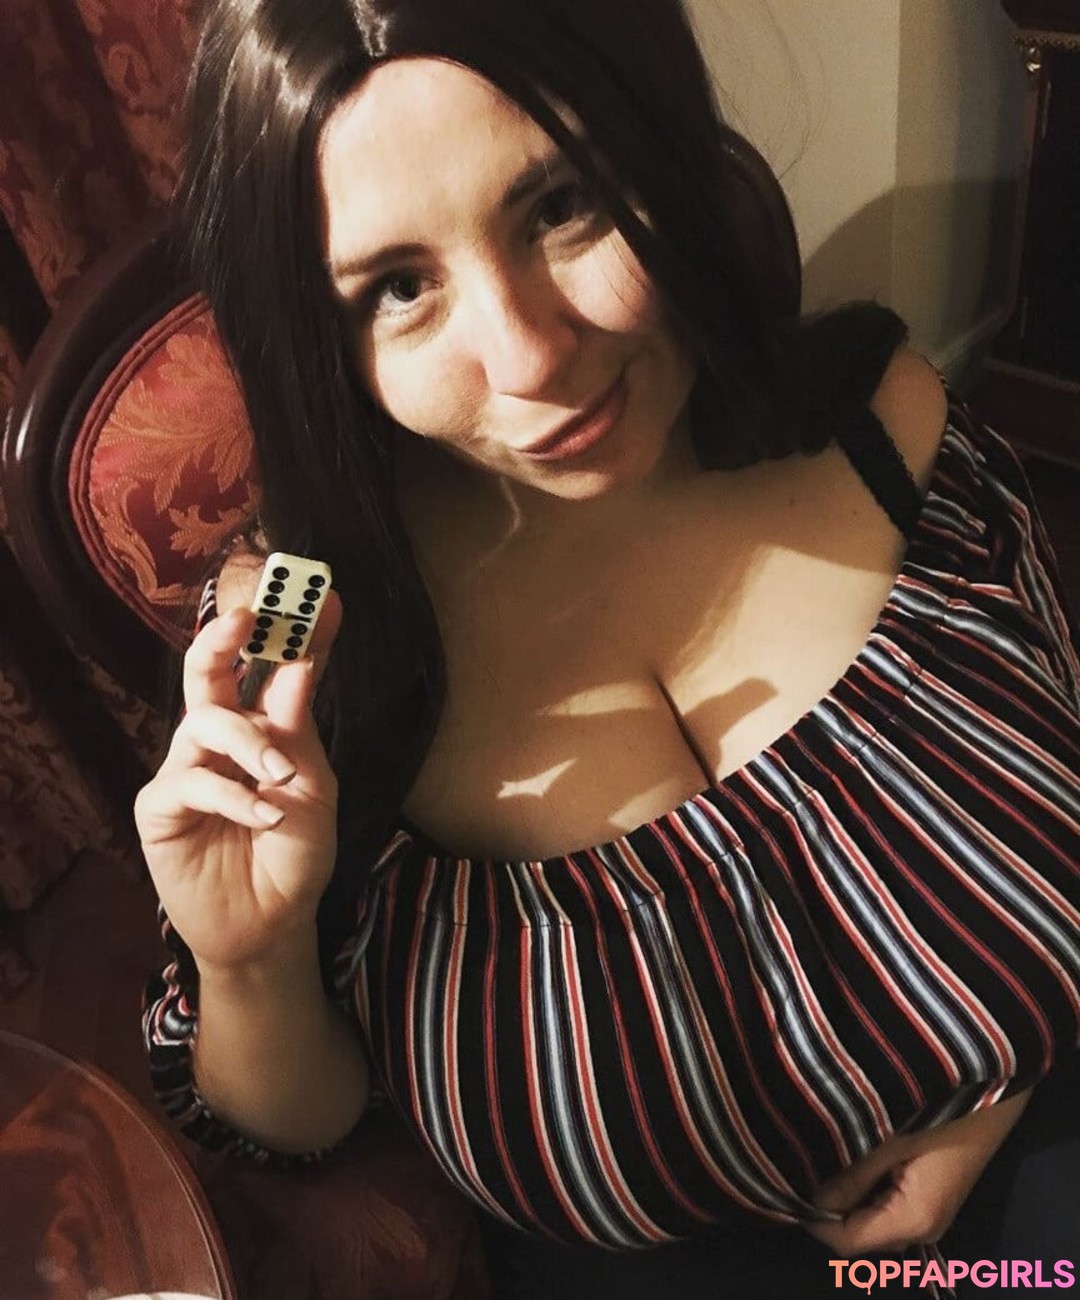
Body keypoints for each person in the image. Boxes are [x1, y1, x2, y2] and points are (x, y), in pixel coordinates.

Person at [137, 0, 1080, 1295]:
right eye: (400, 288)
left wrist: (1000, 1078)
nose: (528, 356)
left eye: (561, 207)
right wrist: (251, 958)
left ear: (662, 146)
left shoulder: (887, 428)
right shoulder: (298, 637)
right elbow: (299, 1121)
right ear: (320, 338)